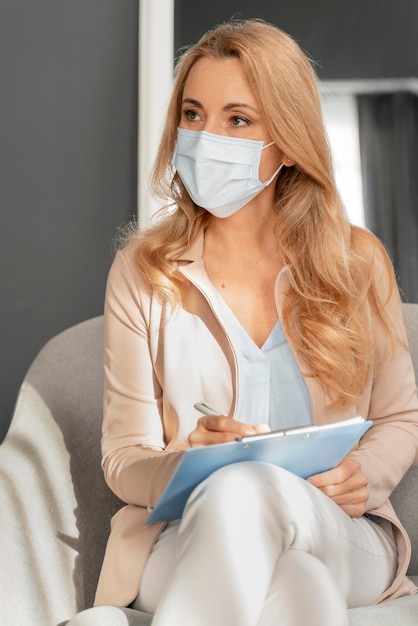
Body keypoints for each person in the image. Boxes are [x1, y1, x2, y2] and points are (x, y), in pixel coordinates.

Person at [94, 18, 418, 625]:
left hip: (338, 527)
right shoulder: (142, 270)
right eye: (192, 115)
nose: (205, 136)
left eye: (237, 120)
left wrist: (363, 475)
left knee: (244, 489)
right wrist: (186, 459)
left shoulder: (357, 261)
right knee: (296, 584)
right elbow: (124, 459)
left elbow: (402, 414)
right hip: (183, 536)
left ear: (289, 142)